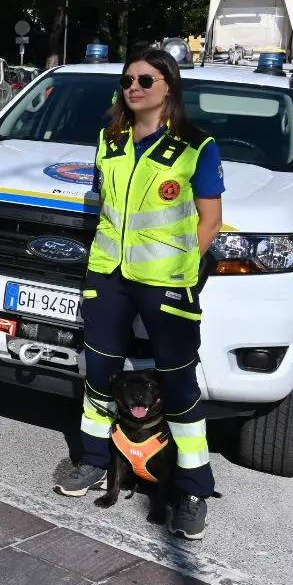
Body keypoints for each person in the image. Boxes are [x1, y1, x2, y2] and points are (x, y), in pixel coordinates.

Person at [54, 48, 223, 541]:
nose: (134, 87)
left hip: (167, 281)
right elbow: (107, 206)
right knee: (99, 374)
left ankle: (193, 488)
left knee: (179, 385)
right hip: (109, 274)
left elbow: (211, 220)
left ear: (169, 86)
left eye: (146, 80)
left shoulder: (196, 144)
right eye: (128, 80)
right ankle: (93, 460)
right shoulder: (110, 139)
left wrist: (183, 269)